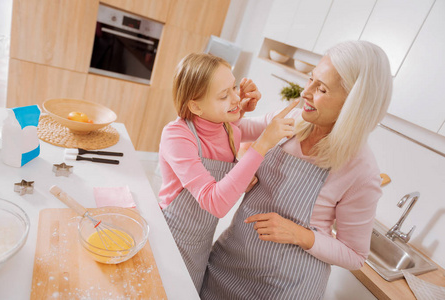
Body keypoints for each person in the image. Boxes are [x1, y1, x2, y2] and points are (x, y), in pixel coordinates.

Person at [200, 40, 393, 299]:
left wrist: (300, 235)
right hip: (229, 264)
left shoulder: (361, 169)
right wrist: (237, 113)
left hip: (285, 287)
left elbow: (355, 256)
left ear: (353, 104)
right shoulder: (290, 119)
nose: (305, 93)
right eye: (310, 79)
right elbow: (227, 132)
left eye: (321, 89)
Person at [158, 53, 298, 292]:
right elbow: (215, 203)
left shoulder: (229, 129)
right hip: (171, 237)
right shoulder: (177, 136)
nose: (235, 97)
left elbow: (268, 123)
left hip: (201, 240)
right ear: (195, 105)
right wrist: (262, 144)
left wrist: (303, 107)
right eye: (224, 95)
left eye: (234, 87)